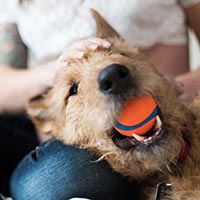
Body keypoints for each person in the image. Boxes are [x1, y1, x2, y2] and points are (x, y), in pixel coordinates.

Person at [0, 0, 200, 199]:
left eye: (119, 54)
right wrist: (51, 72)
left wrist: (174, 85)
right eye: (74, 89)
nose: (112, 77)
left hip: (176, 107)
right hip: (76, 149)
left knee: (51, 178)